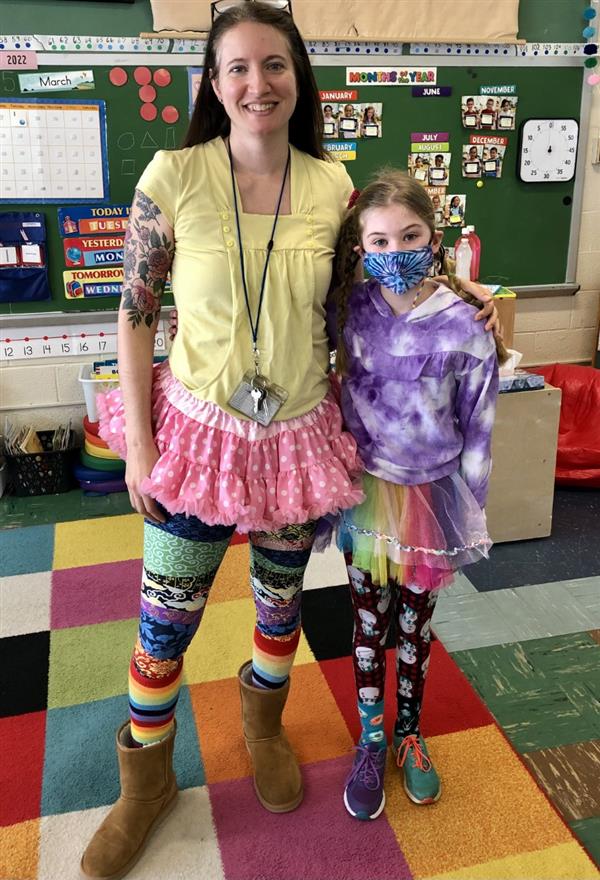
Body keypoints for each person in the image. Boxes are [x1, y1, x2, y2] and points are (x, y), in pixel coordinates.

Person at [80, 4, 500, 876]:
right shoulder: (175, 175)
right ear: (212, 81)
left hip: (298, 437)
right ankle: (145, 783)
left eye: (274, 65)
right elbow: (134, 312)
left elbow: (377, 291)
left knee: (279, 609)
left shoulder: (332, 185)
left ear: (297, 77)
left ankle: (262, 726)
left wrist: (466, 299)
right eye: (237, 67)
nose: (257, 83)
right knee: (166, 619)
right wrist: (142, 445)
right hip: (197, 438)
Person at [326, 170, 507, 821]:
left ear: (434, 237)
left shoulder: (464, 325)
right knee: (369, 624)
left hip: (432, 501)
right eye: (379, 239)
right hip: (367, 494)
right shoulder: (349, 308)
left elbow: (480, 425)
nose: (394, 250)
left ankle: (409, 734)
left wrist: (471, 510)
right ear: (360, 248)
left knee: (415, 626)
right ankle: (371, 741)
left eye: (409, 235)